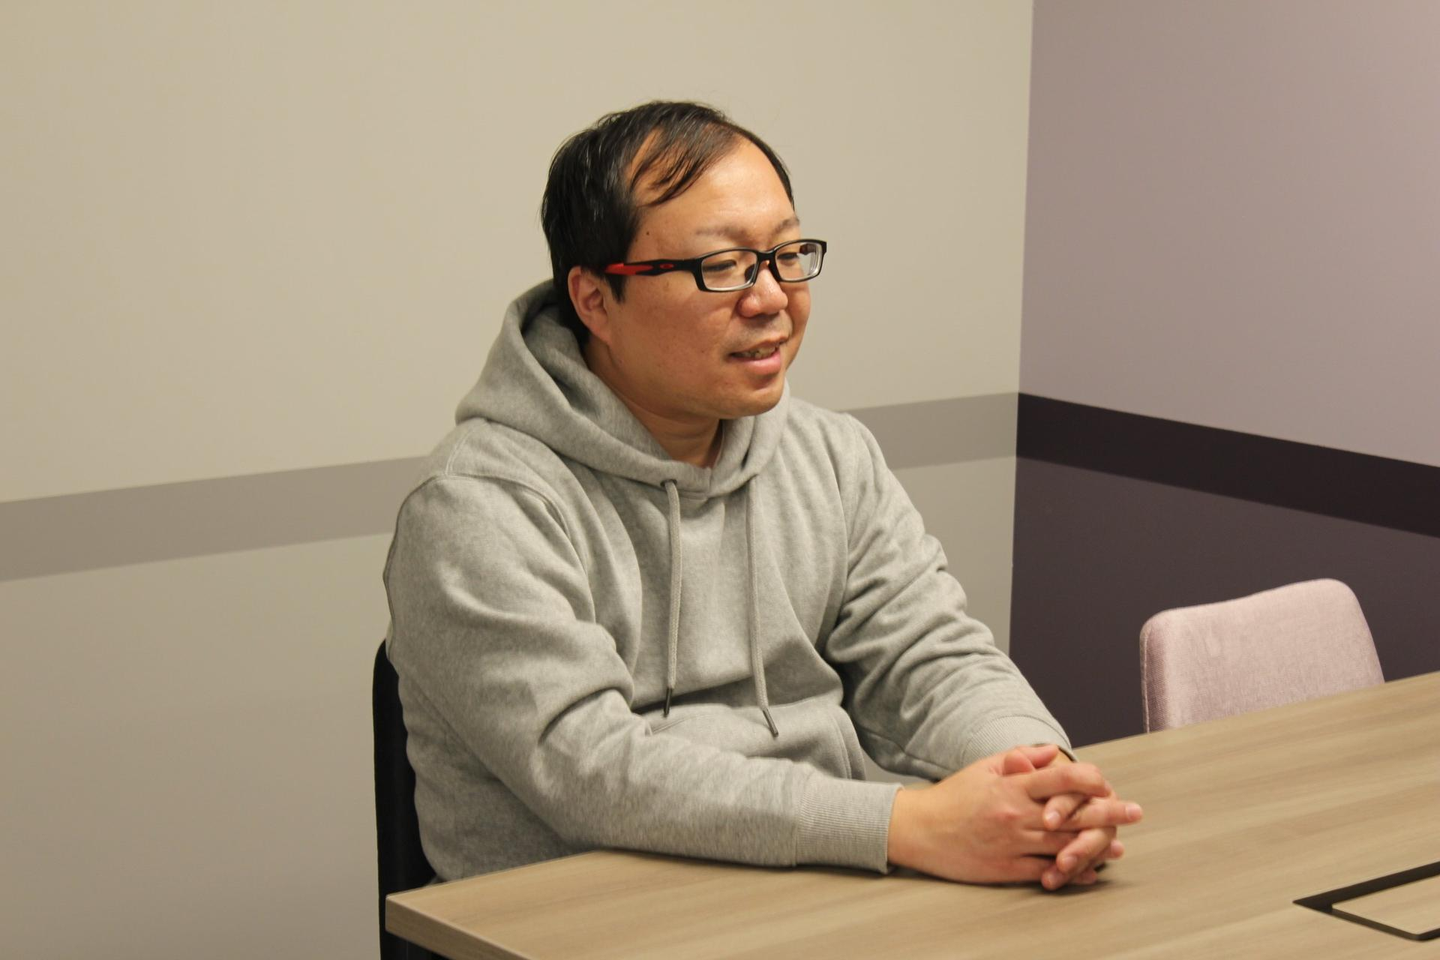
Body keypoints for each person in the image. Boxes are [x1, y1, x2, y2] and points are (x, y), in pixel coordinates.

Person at [383, 100, 1140, 891]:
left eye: (787, 254)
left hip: (816, 884)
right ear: (596, 299)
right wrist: (903, 825)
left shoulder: (829, 455)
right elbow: (590, 769)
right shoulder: (477, 505)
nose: (772, 296)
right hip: (587, 915)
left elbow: (931, 658)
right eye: (724, 266)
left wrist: (1041, 781)